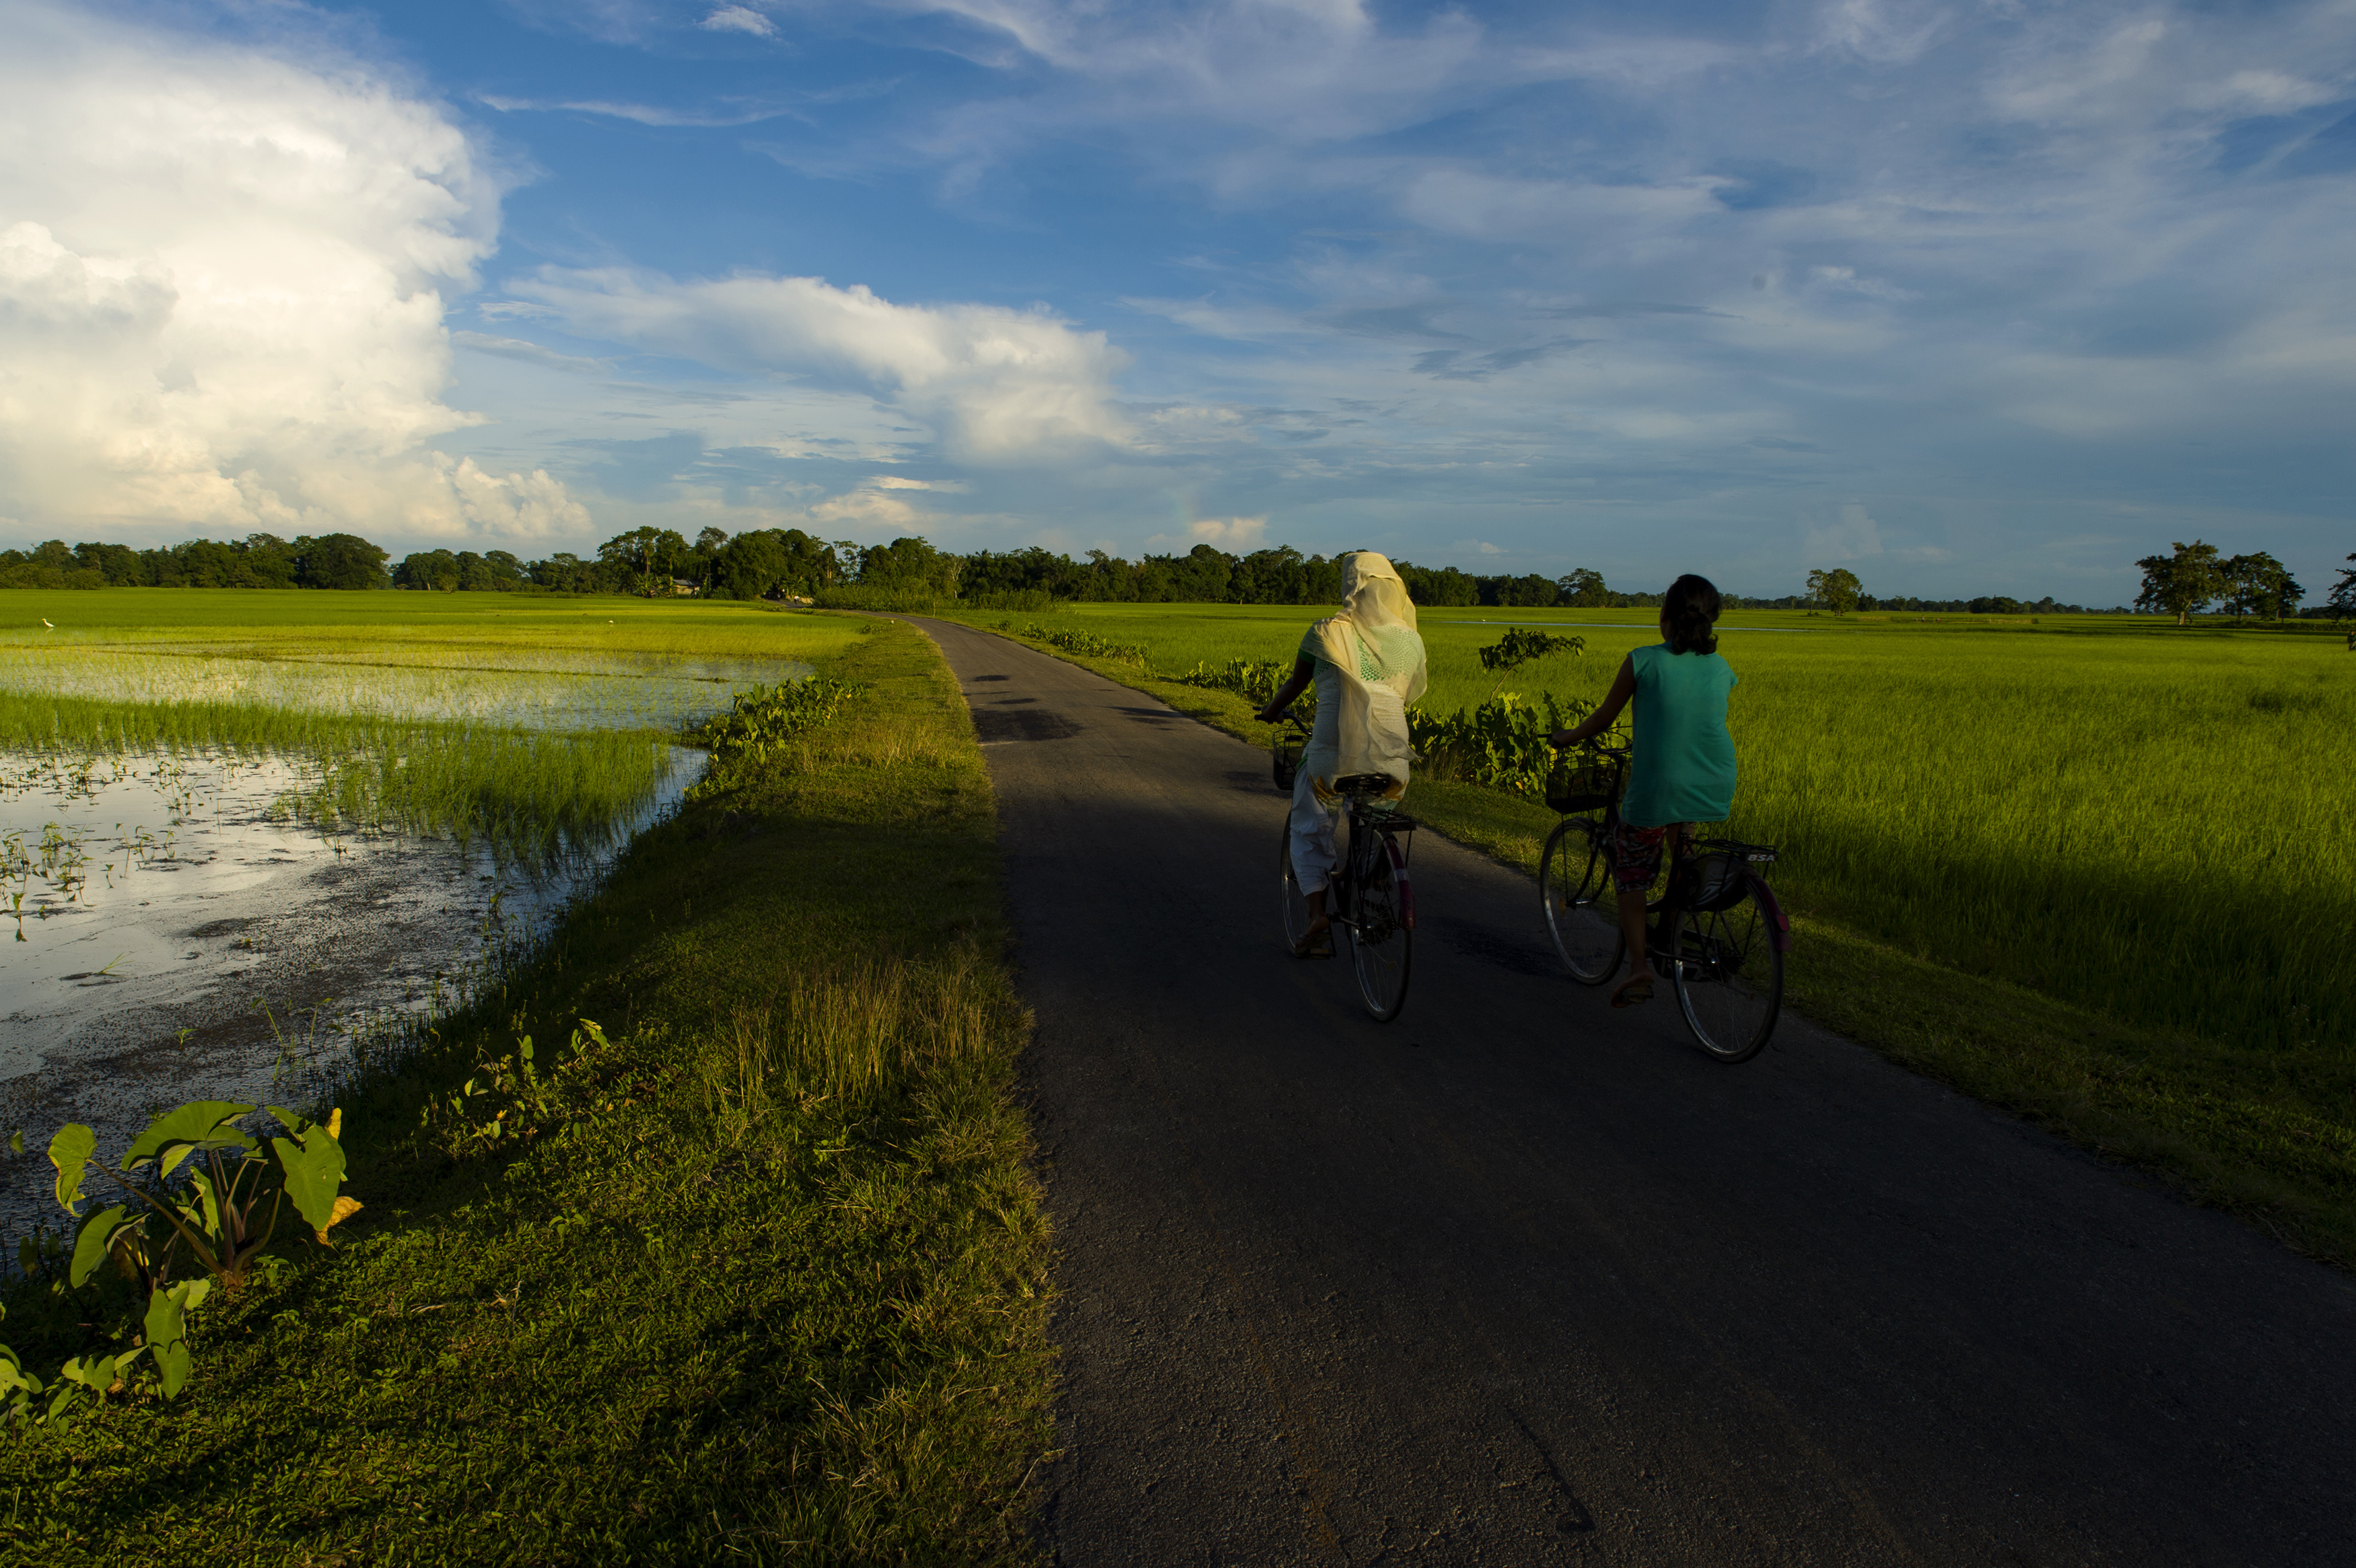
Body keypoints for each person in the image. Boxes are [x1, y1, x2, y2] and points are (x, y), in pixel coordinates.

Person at [1549, 573, 1739, 1007]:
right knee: (1680, 851)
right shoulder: (1722, 667)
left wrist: (1566, 737)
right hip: (1712, 781)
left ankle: (1639, 970)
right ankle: (1676, 918)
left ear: (1665, 616)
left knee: (1632, 877)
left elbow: (1602, 719)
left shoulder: (1643, 661)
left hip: (1657, 788)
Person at [1255, 553, 1429, 958]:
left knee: (1309, 826)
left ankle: (1317, 917)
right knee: (1375, 810)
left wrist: (1270, 712)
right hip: (1392, 756)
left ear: (1351, 586)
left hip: (1331, 755)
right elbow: (1397, 694)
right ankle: (1366, 867)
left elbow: (1295, 685)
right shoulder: (1410, 640)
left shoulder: (1326, 631)